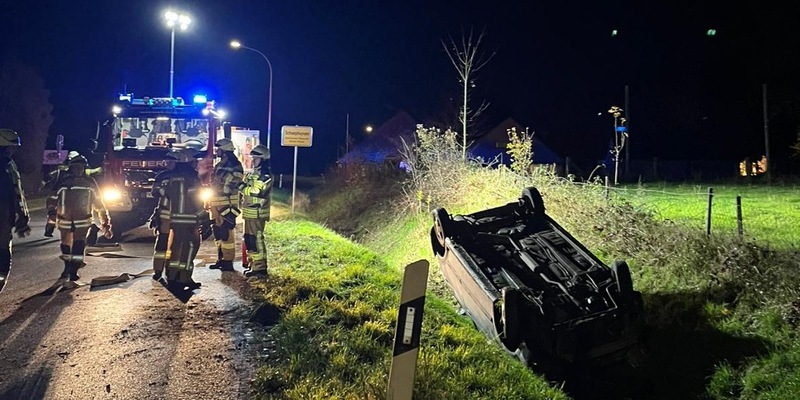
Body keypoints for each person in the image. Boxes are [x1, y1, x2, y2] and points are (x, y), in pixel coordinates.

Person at [53, 155, 112, 281]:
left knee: (79, 245)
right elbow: (52, 199)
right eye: (75, 167)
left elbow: (99, 204)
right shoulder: (63, 183)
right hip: (64, 219)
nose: (78, 170)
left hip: (83, 220)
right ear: (71, 168)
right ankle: (67, 267)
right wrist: (51, 215)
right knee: (65, 245)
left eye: (81, 167)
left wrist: (105, 222)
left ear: (85, 168)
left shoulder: (90, 183)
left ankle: (73, 270)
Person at [155, 148, 207, 290]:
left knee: (176, 247)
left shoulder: (170, 177)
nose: (196, 164)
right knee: (190, 247)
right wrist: (205, 216)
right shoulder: (192, 178)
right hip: (190, 219)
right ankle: (184, 278)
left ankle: (172, 276)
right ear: (187, 161)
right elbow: (196, 200)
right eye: (194, 161)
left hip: (175, 220)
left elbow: (163, 198)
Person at [0, 129, 31, 292]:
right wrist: (22, 217)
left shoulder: (8, 165)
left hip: (5, 214)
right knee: (3, 251)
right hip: (4, 214)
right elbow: (15, 194)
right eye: (11, 148)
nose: (14, 151)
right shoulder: (7, 167)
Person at [207, 138, 243, 271]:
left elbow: (234, 181)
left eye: (219, 149)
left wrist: (223, 190)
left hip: (227, 203)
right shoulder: (220, 164)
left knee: (226, 232)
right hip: (216, 202)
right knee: (218, 232)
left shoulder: (235, 165)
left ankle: (228, 261)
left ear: (225, 150)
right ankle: (220, 259)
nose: (217, 151)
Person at [240, 145, 273, 278]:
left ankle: (260, 268)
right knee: (249, 239)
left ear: (263, 159)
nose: (253, 161)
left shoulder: (265, 176)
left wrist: (242, 187)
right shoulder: (253, 174)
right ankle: (253, 264)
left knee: (256, 239)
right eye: (253, 158)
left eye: (256, 158)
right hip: (249, 212)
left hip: (258, 212)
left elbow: (256, 191)